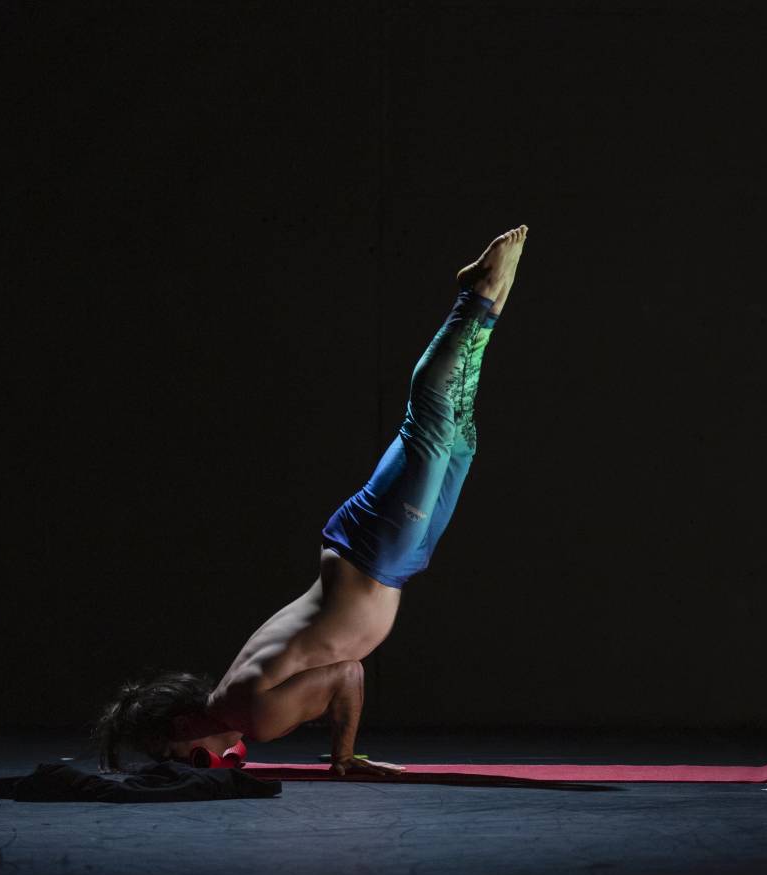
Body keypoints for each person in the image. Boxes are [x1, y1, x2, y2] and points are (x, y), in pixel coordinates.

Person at [94, 225, 528, 776]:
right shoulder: (234, 696)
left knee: (432, 422)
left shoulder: (250, 716)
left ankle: (475, 294)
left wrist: (343, 759)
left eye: (168, 756)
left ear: (181, 728)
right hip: (388, 564)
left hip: (373, 556)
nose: (184, 765)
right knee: (459, 436)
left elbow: (347, 674)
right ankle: (487, 306)